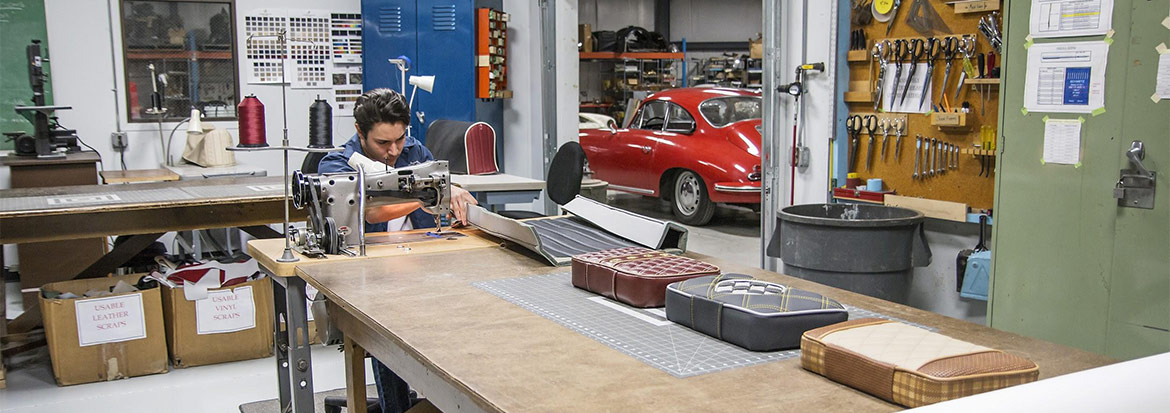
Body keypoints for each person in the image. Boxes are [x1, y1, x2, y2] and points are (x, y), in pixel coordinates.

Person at [317, 88, 478, 413]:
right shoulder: (336, 164)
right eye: (382, 143)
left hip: (419, 261)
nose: (393, 151)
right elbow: (369, 210)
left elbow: (442, 190)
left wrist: (454, 198)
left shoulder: (414, 150)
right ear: (360, 132)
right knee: (385, 322)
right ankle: (397, 407)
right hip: (368, 274)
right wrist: (428, 195)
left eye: (399, 140)